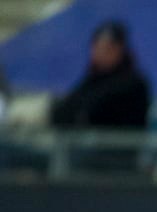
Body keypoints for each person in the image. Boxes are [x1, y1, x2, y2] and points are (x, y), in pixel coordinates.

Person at [50, 20, 150, 172]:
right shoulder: (92, 79)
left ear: (121, 50)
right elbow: (63, 112)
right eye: (97, 46)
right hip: (82, 151)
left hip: (113, 159)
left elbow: (92, 109)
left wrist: (79, 115)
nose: (101, 52)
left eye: (109, 47)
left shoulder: (133, 83)